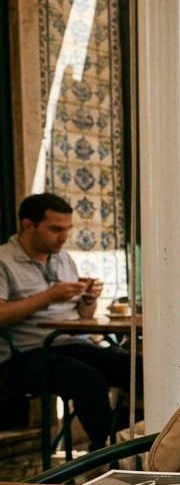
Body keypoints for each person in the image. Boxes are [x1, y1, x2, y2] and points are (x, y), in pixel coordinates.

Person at [0, 193, 132, 450]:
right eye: (55, 229)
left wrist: (88, 298)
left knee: (132, 366)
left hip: (70, 343)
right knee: (88, 379)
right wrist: (49, 296)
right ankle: (104, 450)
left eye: (67, 229)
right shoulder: (4, 261)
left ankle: (138, 441)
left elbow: (85, 316)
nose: (64, 237)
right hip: (22, 354)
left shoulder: (63, 258)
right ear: (28, 225)